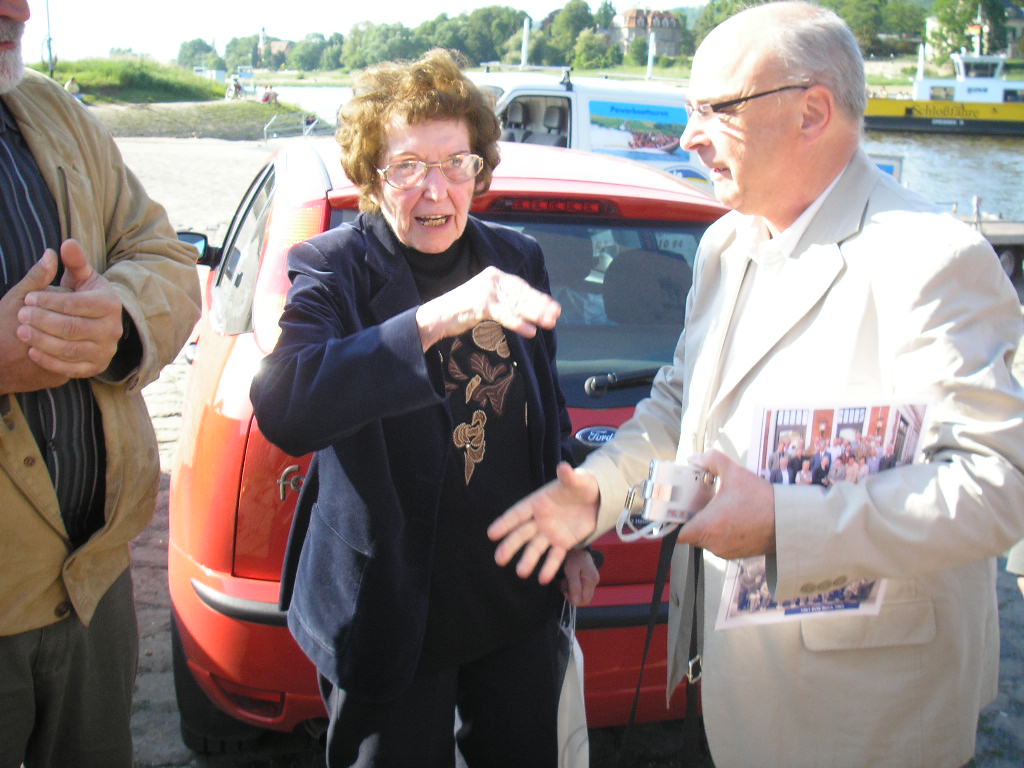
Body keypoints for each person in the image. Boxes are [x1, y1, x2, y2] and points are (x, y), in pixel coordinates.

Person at [488, 4, 1024, 768]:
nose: (688, 137)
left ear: (813, 113)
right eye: (689, 110)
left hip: (868, 715)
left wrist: (781, 522)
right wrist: (595, 493)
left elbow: (999, 486)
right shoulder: (726, 243)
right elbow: (680, 403)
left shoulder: (930, 258)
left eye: (717, 110)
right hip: (738, 684)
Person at [249, 48, 598, 768]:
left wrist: (573, 535)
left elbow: (544, 417)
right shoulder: (333, 267)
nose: (435, 189)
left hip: (513, 595)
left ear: (479, 169)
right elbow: (285, 406)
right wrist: (437, 319)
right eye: (408, 167)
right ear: (373, 177)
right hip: (392, 610)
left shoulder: (517, 257)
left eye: (455, 164)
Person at [0, 2, 201, 766]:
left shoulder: (51, 111)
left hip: (94, 591)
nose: (20, 10)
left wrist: (120, 317)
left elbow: (163, 253)